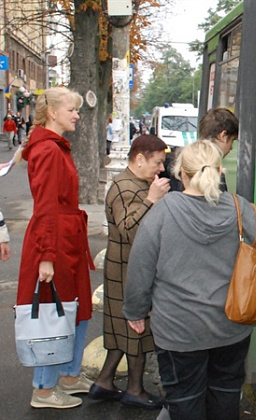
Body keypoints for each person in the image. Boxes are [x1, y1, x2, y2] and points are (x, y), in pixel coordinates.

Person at [123, 140, 256, 420]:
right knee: (225, 396)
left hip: (178, 330)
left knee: (185, 401)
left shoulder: (163, 211)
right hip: (231, 325)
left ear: (181, 173)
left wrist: (135, 311)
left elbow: (140, 266)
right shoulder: (242, 209)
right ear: (220, 171)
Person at [14, 86, 95, 409]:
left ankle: (68, 375)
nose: (76, 114)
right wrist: (46, 256)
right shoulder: (49, 150)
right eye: (71, 109)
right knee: (54, 312)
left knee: (75, 309)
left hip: (65, 238)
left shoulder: (54, 147)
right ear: (53, 112)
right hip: (56, 242)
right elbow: (46, 206)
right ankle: (44, 390)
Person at [90, 134, 170, 408]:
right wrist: (152, 200)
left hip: (124, 265)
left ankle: (104, 382)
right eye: (157, 162)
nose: (160, 169)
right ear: (139, 159)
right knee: (136, 329)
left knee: (122, 329)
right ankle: (135, 390)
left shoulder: (135, 183)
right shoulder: (127, 187)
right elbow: (130, 230)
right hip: (127, 267)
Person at [168, 107, 239, 192]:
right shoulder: (213, 168)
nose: (231, 147)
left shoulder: (183, 162)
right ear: (223, 135)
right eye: (232, 140)